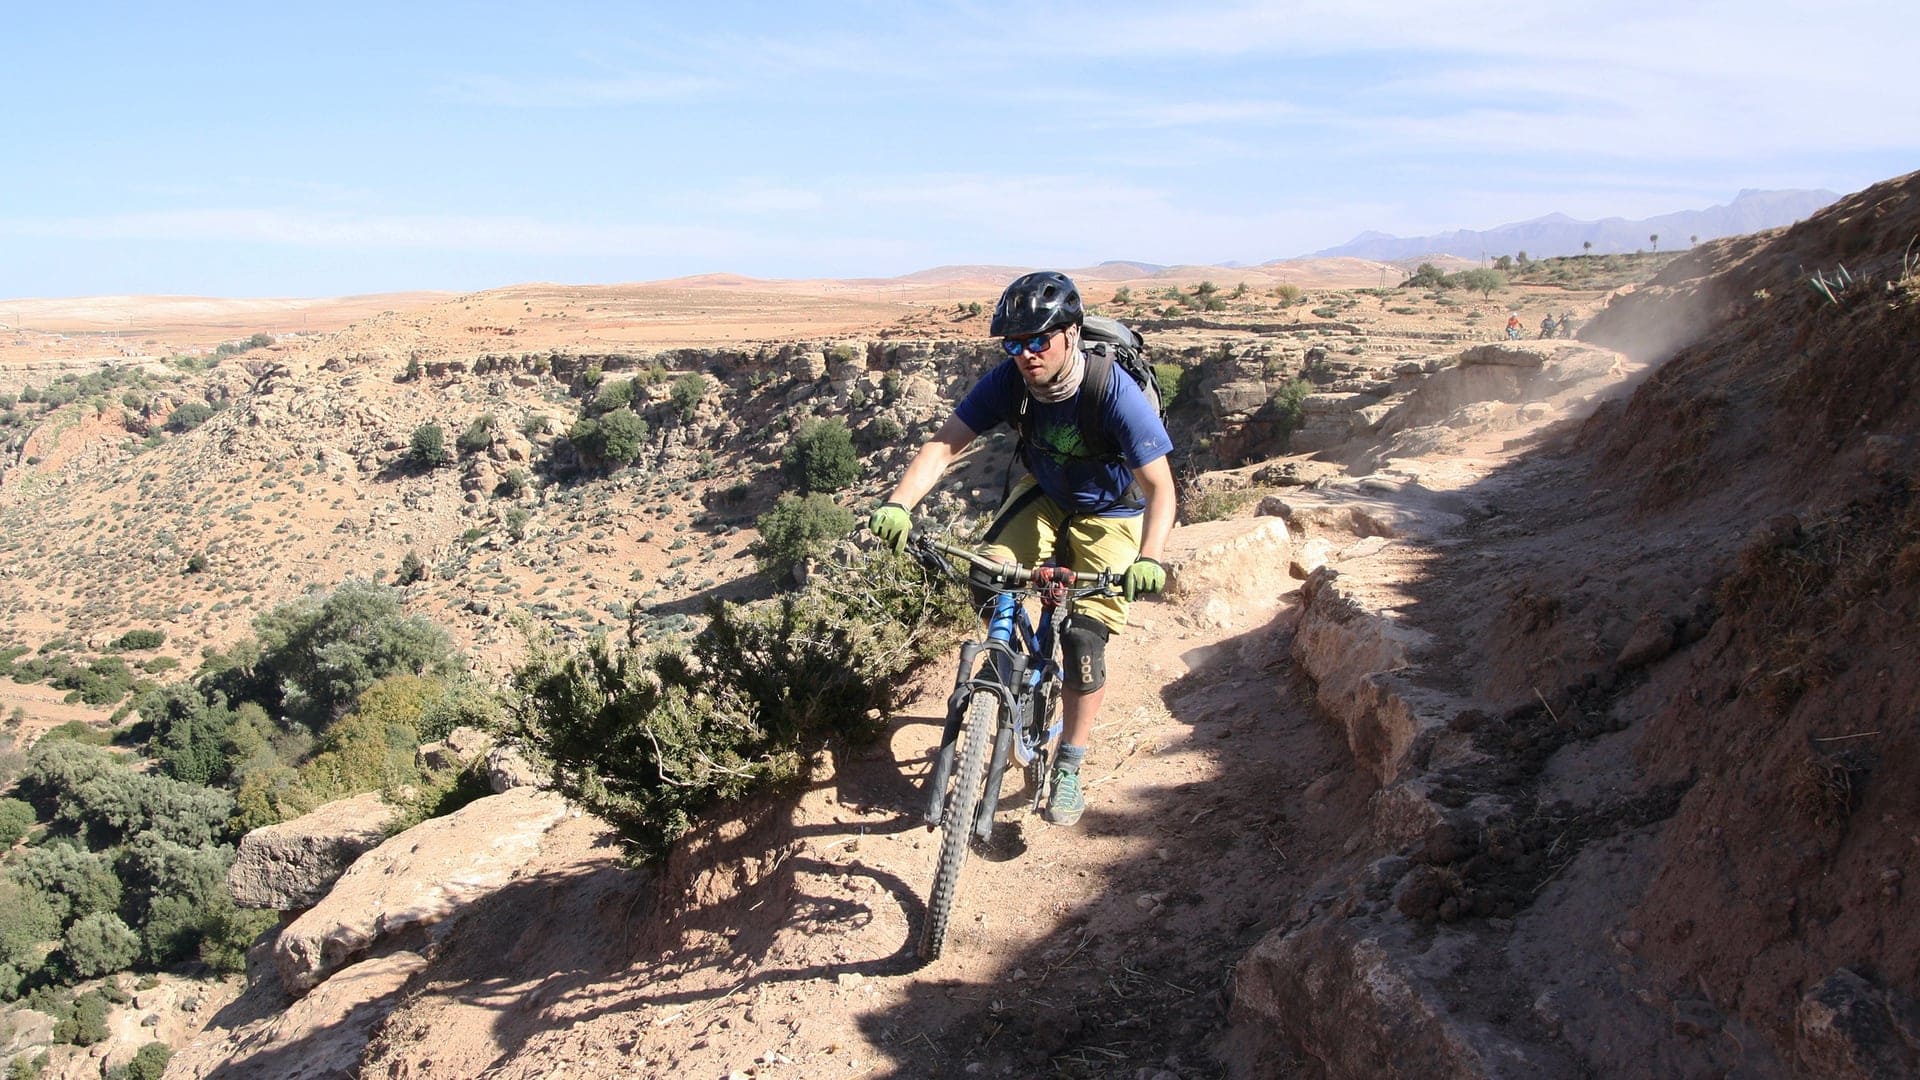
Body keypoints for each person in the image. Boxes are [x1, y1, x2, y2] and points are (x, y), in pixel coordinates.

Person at [869, 271, 1176, 827]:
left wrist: (1150, 557)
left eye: (1039, 339)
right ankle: (1010, 662)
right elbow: (943, 446)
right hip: (1045, 493)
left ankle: (1069, 765)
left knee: (1085, 637)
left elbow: (1160, 487)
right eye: (1014, 343)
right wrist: (899, 503)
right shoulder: (1009, 382)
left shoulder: (1111, 389)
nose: (1027, 354)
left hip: (1112, 508)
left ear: (1071, 333)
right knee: (988, 574)